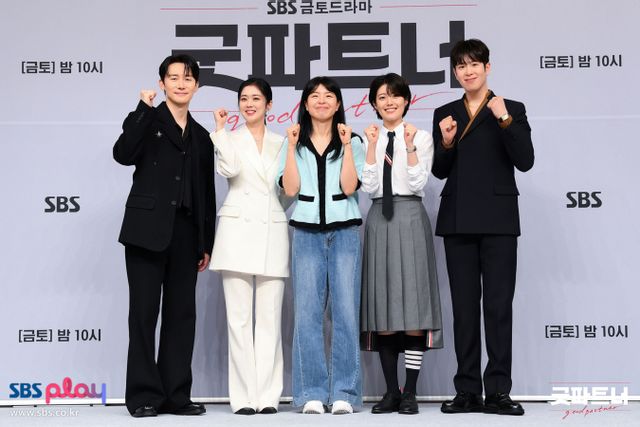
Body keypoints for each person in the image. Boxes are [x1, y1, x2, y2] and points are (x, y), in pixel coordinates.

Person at [431, 39, 534, 416]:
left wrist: (504, 119)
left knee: (498, 306)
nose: (468, 71)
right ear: (455, 72)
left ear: (487, 67)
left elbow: (525, 160)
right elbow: (439, 171)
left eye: (474, 64)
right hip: (458, 218)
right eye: (461, 66)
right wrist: (445, 142)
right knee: (463, 309)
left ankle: (499, 391)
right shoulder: (445, 112)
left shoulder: (511, 108)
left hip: (498, 220)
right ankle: (467, 390)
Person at [113, 54, 215, 418]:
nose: (181, 84)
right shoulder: (146, 119)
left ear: (197, 86)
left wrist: (206, 242)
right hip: (146, 231)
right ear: (162, 84)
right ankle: (143, 395)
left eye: (188, 78)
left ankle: (176, 394)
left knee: (181, 316)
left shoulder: (202, 136)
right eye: (173, 78)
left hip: (186, 234)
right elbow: (123, 154)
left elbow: (206, 194)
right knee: (143, 315)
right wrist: (142, 108)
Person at [277, 76, 365, 415]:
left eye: (329, 95)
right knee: (307, 314)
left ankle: (345, 392)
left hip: (345, 232)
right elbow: (290, 189)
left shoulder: (352, 140)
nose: (322, 100)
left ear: (338, 103)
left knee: (345, 312)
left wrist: (346, 146)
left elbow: (350, 186)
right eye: (315, 95)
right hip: (306, 233)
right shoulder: (294, 141)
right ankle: (310, 392)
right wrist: (290, 147)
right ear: (305, 103)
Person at [360, 73, 443, 415]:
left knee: (413, 306)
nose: (389, 101)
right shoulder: (369, 137)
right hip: (379, 218)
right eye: (382, 97)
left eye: (395, 96)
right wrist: (370, 147)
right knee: (384, 308)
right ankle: (391, 391)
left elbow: (419, 181)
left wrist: (408, 146)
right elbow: (368, 186)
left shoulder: (421, 137)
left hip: (410, 217)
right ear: (374, 104)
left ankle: (410, 391)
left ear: (406, 100)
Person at [209, 78, 289, 415]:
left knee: (270, 319)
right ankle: (243, 398)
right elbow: (229, 169)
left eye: (256, 99)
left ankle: (268, 397)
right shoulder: (227, 138)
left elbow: (288, 191)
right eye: (244, 99)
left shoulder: (283, 142)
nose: (249, 104)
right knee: (238, 320)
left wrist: (275, 207)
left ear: (269, 105)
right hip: (236, 231)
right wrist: (219, 131)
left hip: (272, 229)